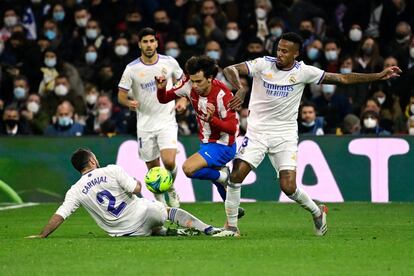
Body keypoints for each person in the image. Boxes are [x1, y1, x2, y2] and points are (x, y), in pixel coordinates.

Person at [218, 32, 402, 237]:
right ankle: (232, 227)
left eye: (285, 51)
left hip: (285, 135)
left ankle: (317, 211)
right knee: (236, 177)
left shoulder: (304, 71)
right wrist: (240, 88)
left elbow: (342, 78)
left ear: (296, 54)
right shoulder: (263, 64)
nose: (280, 54)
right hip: (257, 133)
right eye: (279, 49)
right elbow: (230, 69)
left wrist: (377, 76)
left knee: (288, 187)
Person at [26, 148, 221, 238]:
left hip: (124, 233)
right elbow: (136, 189)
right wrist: (137, 182)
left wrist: (42, 235)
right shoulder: (111, 170)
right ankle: (207, 229)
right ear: (92, 161)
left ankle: (165, 231)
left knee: (152, 226)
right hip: (143, 215)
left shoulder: (75, 190)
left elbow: (60, 215)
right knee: (165, 210)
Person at [155, 56, 243, 218]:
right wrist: (161, 88)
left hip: (224, 145)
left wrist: (213, 120)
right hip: (206, 142)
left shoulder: (223, 95)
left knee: (189, 168)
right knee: (217, 182)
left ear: (210, 78)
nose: (194, 86)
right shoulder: (189, 85)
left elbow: (232, 129)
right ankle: (234, 211)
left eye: (199, 81)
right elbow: (164, 99)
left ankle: (225, 176)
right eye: (193, 80)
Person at [117, 27, 186, 208]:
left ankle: (170, 188)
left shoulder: (169, 62)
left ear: (156, 43)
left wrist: (183, 101)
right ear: (139, 44)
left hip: (167, 120)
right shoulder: (131, 68)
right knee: (153, 170)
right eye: (145, 42)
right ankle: (160, 203)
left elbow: (184, 84)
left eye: (152, 41)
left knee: (169, 161)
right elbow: (121, 94)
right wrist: (128, 103)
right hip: (145, 124)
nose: (149, 45)